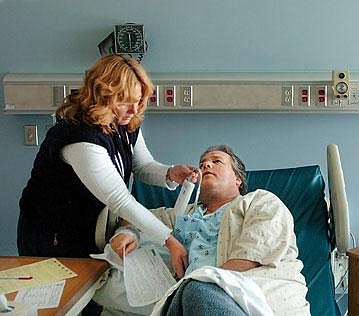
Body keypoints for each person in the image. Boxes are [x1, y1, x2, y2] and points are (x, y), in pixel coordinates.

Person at [17, 55, 195, 280]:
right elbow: (120, 200)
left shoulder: (125, 120)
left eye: (138, 100)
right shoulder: (80, 137)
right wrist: (170, 240)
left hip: (89, 229)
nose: (134, 110)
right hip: (52, 236)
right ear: (102, 95)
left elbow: (142, 165)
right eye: (125, 101)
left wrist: (169, 173)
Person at [95, 145, 310, 316]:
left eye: (216, 162)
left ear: (238, 179)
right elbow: (134, 217)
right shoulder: (181, 215)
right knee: (101, 283)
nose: (206, 165)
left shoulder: (260, 201)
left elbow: (253, 254)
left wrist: (196, 285)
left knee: (197, 291)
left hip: (246, 298)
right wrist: (128, 233)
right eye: (203, 163)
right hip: (187, 299)